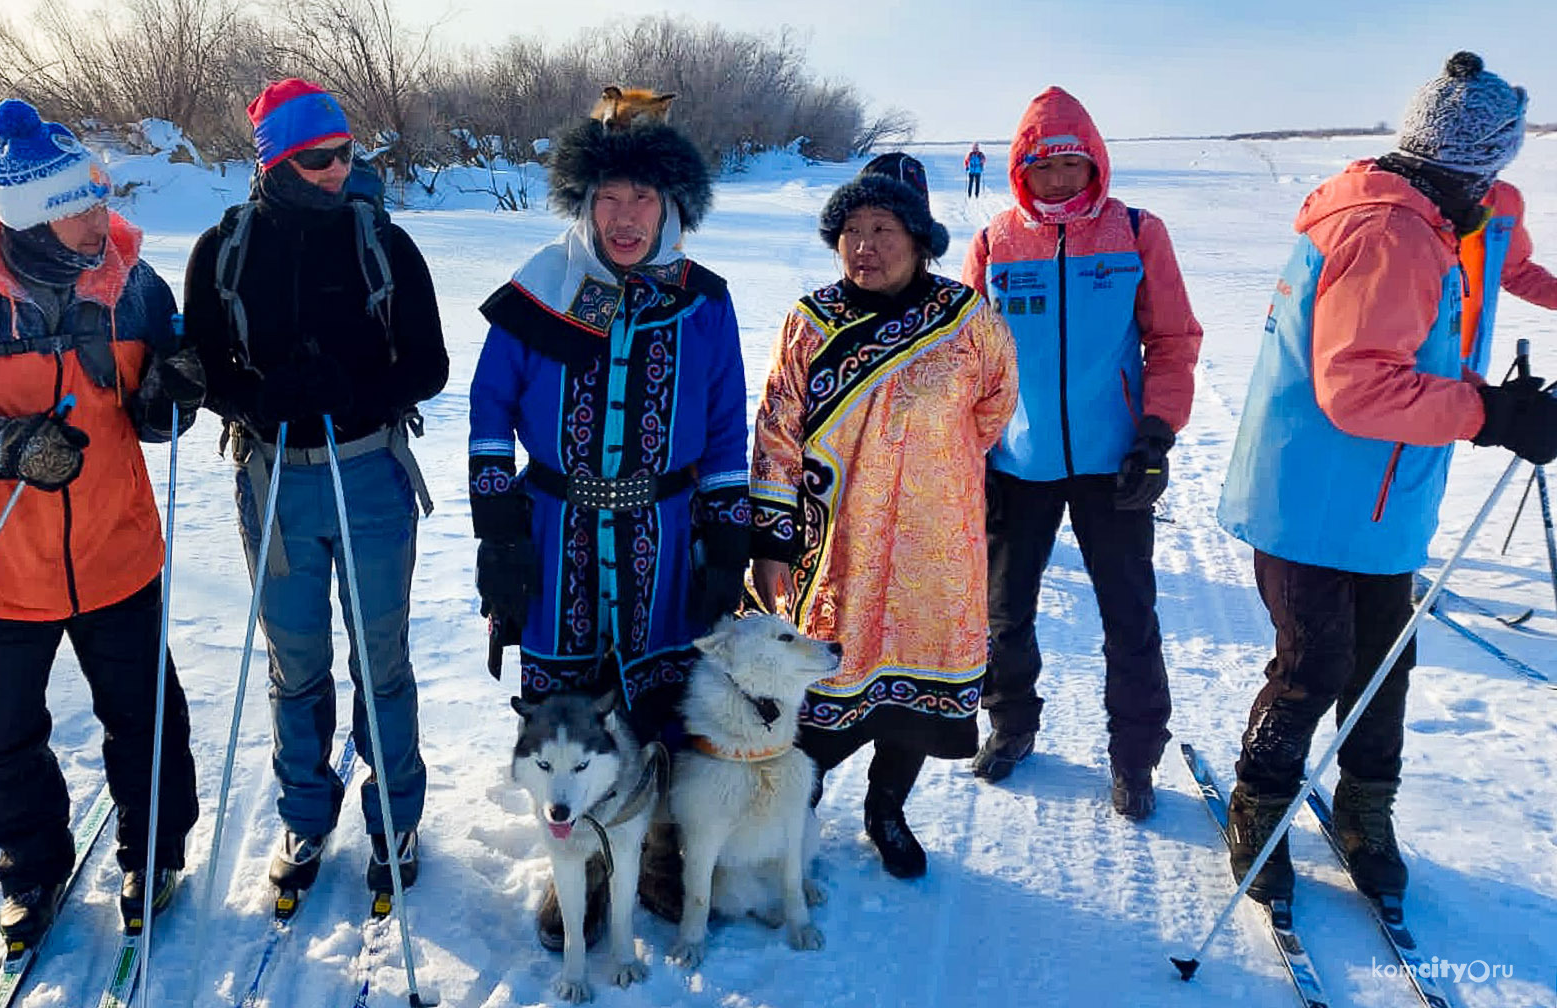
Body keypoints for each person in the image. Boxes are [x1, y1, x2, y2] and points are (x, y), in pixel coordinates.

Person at [1218, 52, 1557, 906]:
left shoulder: (1415, 220)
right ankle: (1258, 803)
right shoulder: (1391, 232)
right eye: (1493, 171)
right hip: (1318, 495)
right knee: (1315, 664)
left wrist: (1488, 400)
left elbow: (1404, 360)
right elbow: (1360, 384)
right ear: (1471, 164)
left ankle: (1367, 806)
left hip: (1377, 494)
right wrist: (1490, 417)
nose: (1493, 193)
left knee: (1382, 665)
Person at [0, 98, 204, 947]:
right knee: (3, 735)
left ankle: (153, 850)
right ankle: (31, 868)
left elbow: (157, 409)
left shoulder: (136, 282)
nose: (103, 220)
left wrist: (172, 398)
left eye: (100, 199)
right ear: (32, 220)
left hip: (115, 550)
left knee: (146, 715)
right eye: (79, 208)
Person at [469, 107, 749, 942]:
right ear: (584, 204)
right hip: (558, 533)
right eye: (610, 198)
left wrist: (727, 541)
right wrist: (501, 534)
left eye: (645, 199)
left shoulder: (703, 303)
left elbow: (729, 425)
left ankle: (662, 847)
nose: (626, 218)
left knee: (663, 700)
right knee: (567, 704)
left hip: (664, 533)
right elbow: (489, 412)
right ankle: (583, 859)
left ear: (673, 209)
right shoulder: (540, 296)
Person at [183, 78, 448, 901]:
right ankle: (305, 810)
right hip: (274, 480)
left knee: (381, 659)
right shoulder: (222, 250)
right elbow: (205, 365)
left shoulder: (384, 244)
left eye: (345, 153)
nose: (338, 170)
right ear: (275, 161)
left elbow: (430, 365)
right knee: (294, 662)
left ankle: (394, 812)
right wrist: (254, 399)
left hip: (369, 471)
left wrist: (358, 391)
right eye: (317, 157)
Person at [750, 152, 1017, 878]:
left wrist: (934, 471)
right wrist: (772, 540)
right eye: (853, 229)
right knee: (821, 685)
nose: (866, 245)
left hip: (937, 545)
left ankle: (886, 809)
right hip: (836, 546)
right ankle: (790, 814)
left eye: (885, 227)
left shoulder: (969, 321)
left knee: (917, 694)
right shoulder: (811, 321)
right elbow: (777, 426)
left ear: (921, 236)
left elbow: (993, 408)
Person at [959, 86, 1204, 820]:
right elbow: (969, 361)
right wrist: (975, 454)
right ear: (1020, 171)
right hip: (1019, 464)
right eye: (1044, 168)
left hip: (1114, 463)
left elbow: (1173, 341)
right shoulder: (996, 243)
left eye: (1071, 165)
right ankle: (1011, 725)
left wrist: (1155, 434)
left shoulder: (1136, 232)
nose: (1059, 181)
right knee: (1005, 612)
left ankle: (1134, 758)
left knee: (1129, 616)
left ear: (1094, 163)